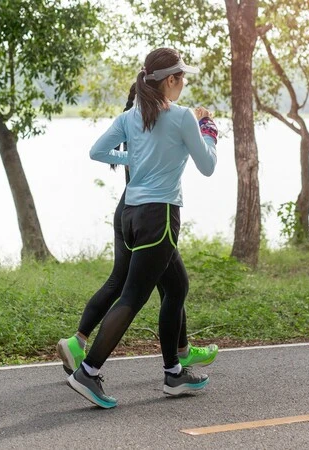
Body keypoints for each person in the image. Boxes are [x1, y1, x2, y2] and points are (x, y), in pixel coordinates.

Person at [67, 48, 218, 408]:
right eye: (181, 78)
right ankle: (88, 371)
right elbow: (208, 165)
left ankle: (174, 374)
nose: (183, 84)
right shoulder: (182, 118)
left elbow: (97, 152)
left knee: (177, 285)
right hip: (160, 217)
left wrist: (131, 156)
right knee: (133, 297)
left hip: (131, 215)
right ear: (170, 81)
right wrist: (208, 128)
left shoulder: (132, 116)